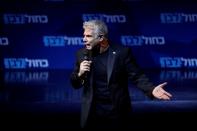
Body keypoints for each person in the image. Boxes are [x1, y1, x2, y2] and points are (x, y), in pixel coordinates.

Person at [70, 19, 172, 129]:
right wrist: (80, 73)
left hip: (116, 111)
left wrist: (151, 90)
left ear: (101, 37)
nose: (84, 39)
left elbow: (137, 76)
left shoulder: (121, 53)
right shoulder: (81, 54)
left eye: (88, 36)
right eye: (84, 35)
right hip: (91, 112)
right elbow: (75, 84)